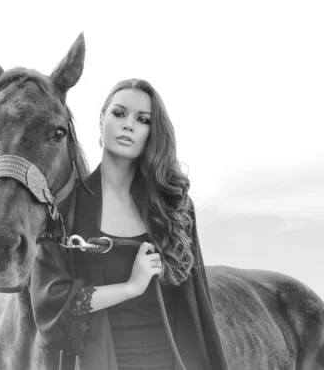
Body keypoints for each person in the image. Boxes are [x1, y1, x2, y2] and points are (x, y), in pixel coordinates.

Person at [30, 79, 229, 370]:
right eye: (119, 114)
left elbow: (197, 306)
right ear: (101, 122)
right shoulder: (63, 209)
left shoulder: (175, 206)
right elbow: (51, 303)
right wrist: (131, 287)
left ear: (152, 132)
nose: (128, 125)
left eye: (143, 119)